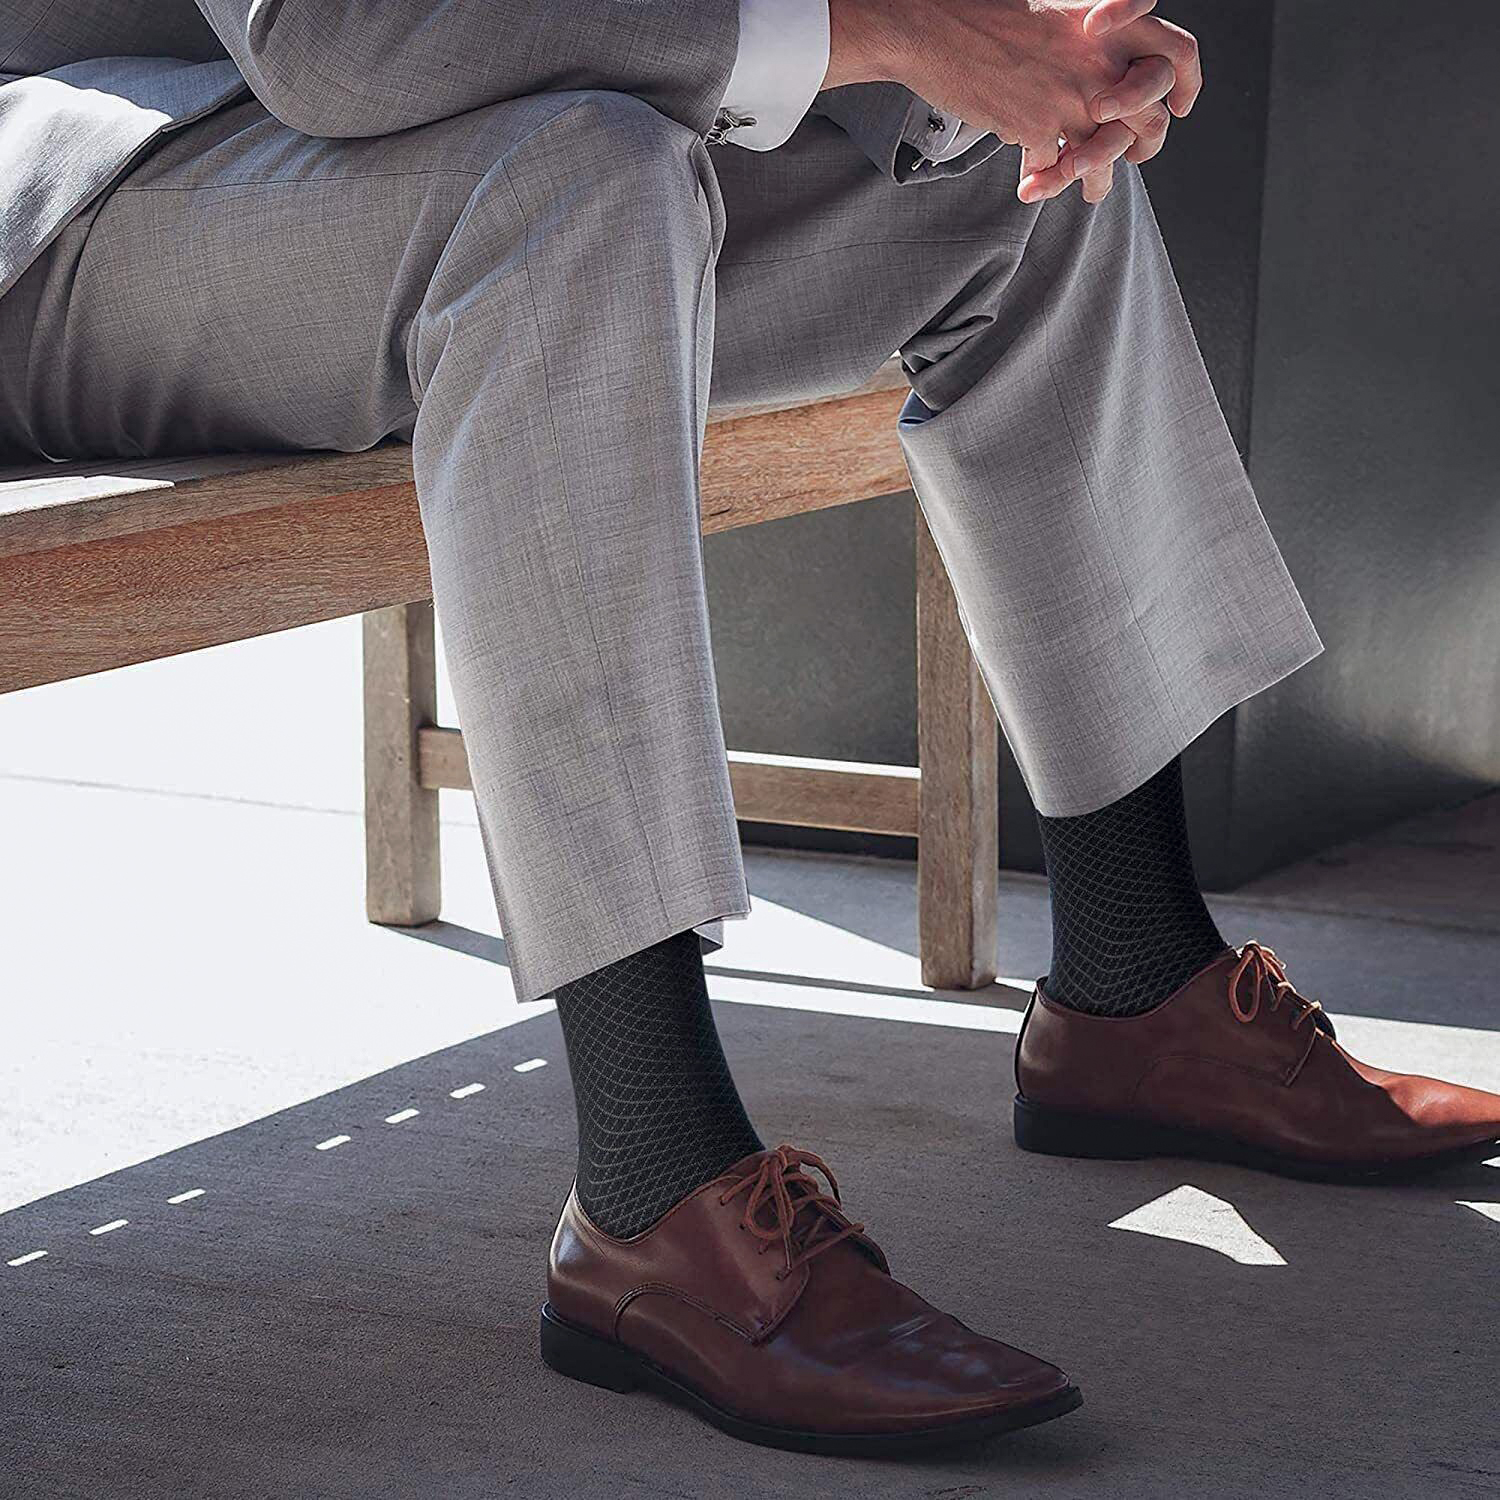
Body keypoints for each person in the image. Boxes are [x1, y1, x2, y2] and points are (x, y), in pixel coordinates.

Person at [3, 0, 1497, 1457]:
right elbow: (338, 37)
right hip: (89, 206)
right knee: (577, 183)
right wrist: (893, 27)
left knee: (1005, 163)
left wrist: (1025, 46)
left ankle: (1136, 989)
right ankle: (653, 1191)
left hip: (417, 176)